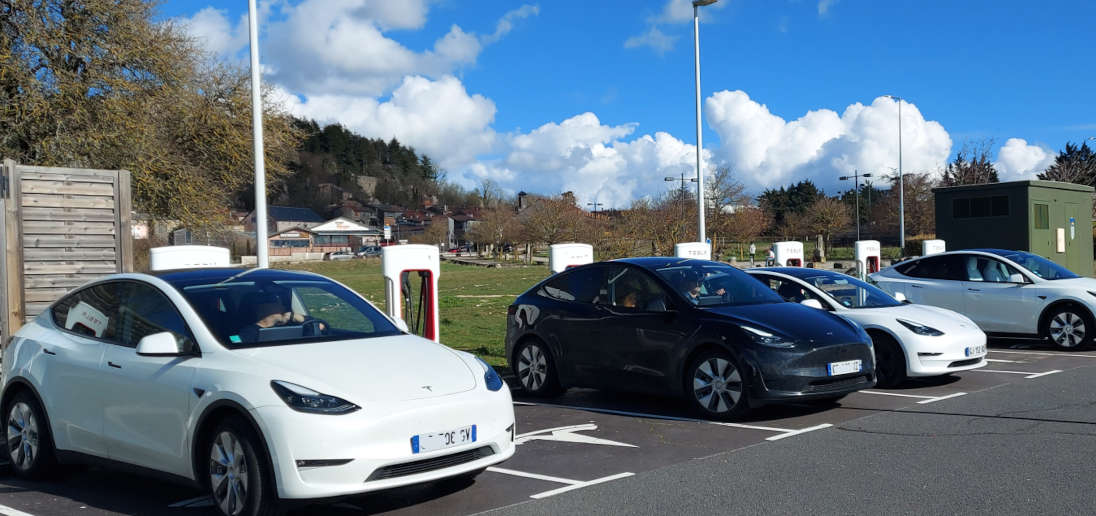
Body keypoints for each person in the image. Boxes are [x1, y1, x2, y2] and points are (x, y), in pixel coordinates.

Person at [235, 293, 323, 343]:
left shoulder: (293, 323)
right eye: (274, 302)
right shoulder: (248, 331)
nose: (282, 306)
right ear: (258, 308)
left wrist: (296, 317)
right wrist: (265, 323)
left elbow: (321, 327)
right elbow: (235, 342)